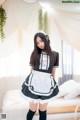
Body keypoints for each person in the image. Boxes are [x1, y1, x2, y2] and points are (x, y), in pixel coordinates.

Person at [21, 32, 59, 120]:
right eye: (37, 43)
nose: (40, 44)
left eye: (41, 41)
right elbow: (31, 70)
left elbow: (53, 72)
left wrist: (52, 85)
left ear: (46, 40)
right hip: (34, 82)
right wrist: (29, 82)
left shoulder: (55, 54)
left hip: (46, 83)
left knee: (42, 111)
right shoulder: (35, 53)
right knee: (32, 110)